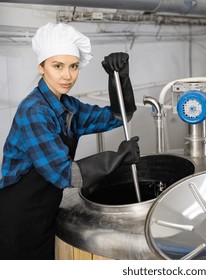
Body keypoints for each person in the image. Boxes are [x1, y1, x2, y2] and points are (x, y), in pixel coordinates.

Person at [0, 22, 139, 260]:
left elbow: (118, 117)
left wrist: (119, 78)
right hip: (18, 218)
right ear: (42, 68)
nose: (67, 75)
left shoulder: (68, 106)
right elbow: (64, 175)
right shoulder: (34, 111)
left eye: (73, 66)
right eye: (58, 66)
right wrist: (118, 158)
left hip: (45, 211)